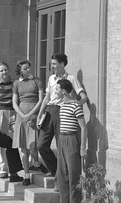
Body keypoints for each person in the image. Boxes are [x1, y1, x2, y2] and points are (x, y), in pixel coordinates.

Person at [37, 53, 88, 191]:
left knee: (61, 149)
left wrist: (75, 106)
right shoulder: (51, 79)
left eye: (54, 64)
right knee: (41, 145)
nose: (51, 66)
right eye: (51, 63)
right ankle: (57, 174)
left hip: (63, 113)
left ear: (62, 64)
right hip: (49, 112)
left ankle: (60, 182)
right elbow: (47, 97)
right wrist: (40, 113)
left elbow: (83, 96)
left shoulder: (71, 79)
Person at [55, 79, 87, 203]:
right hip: (62, 140)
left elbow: (84, 127)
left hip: (72, 140)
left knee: (73, 176)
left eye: (57, 89)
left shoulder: (75, 105)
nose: (55, 91)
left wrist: (82, 149)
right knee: (62, 176)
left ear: (63, 91)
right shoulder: (61, 105)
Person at [12, 60, 44, 185]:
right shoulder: (16, 84)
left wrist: (30, 115)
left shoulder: (37, 81)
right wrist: (22, 115)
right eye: (25, 69)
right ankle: (26, 176)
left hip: (34, 115)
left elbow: (41, 99)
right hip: (21, 117)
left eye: (28, 68)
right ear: (20, 71)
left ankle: (36, 163)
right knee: (24, 149)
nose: (28, 70)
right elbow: (15, 102)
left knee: (33, 147)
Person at [0, 61, 15, 179]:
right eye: (1, 70)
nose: (4, 72)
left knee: (15, 140)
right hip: (1, 113)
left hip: (14, 113)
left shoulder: (14, 84)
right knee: (1, 142)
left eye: (5, 69)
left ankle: (15, 167)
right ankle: (3, 169)